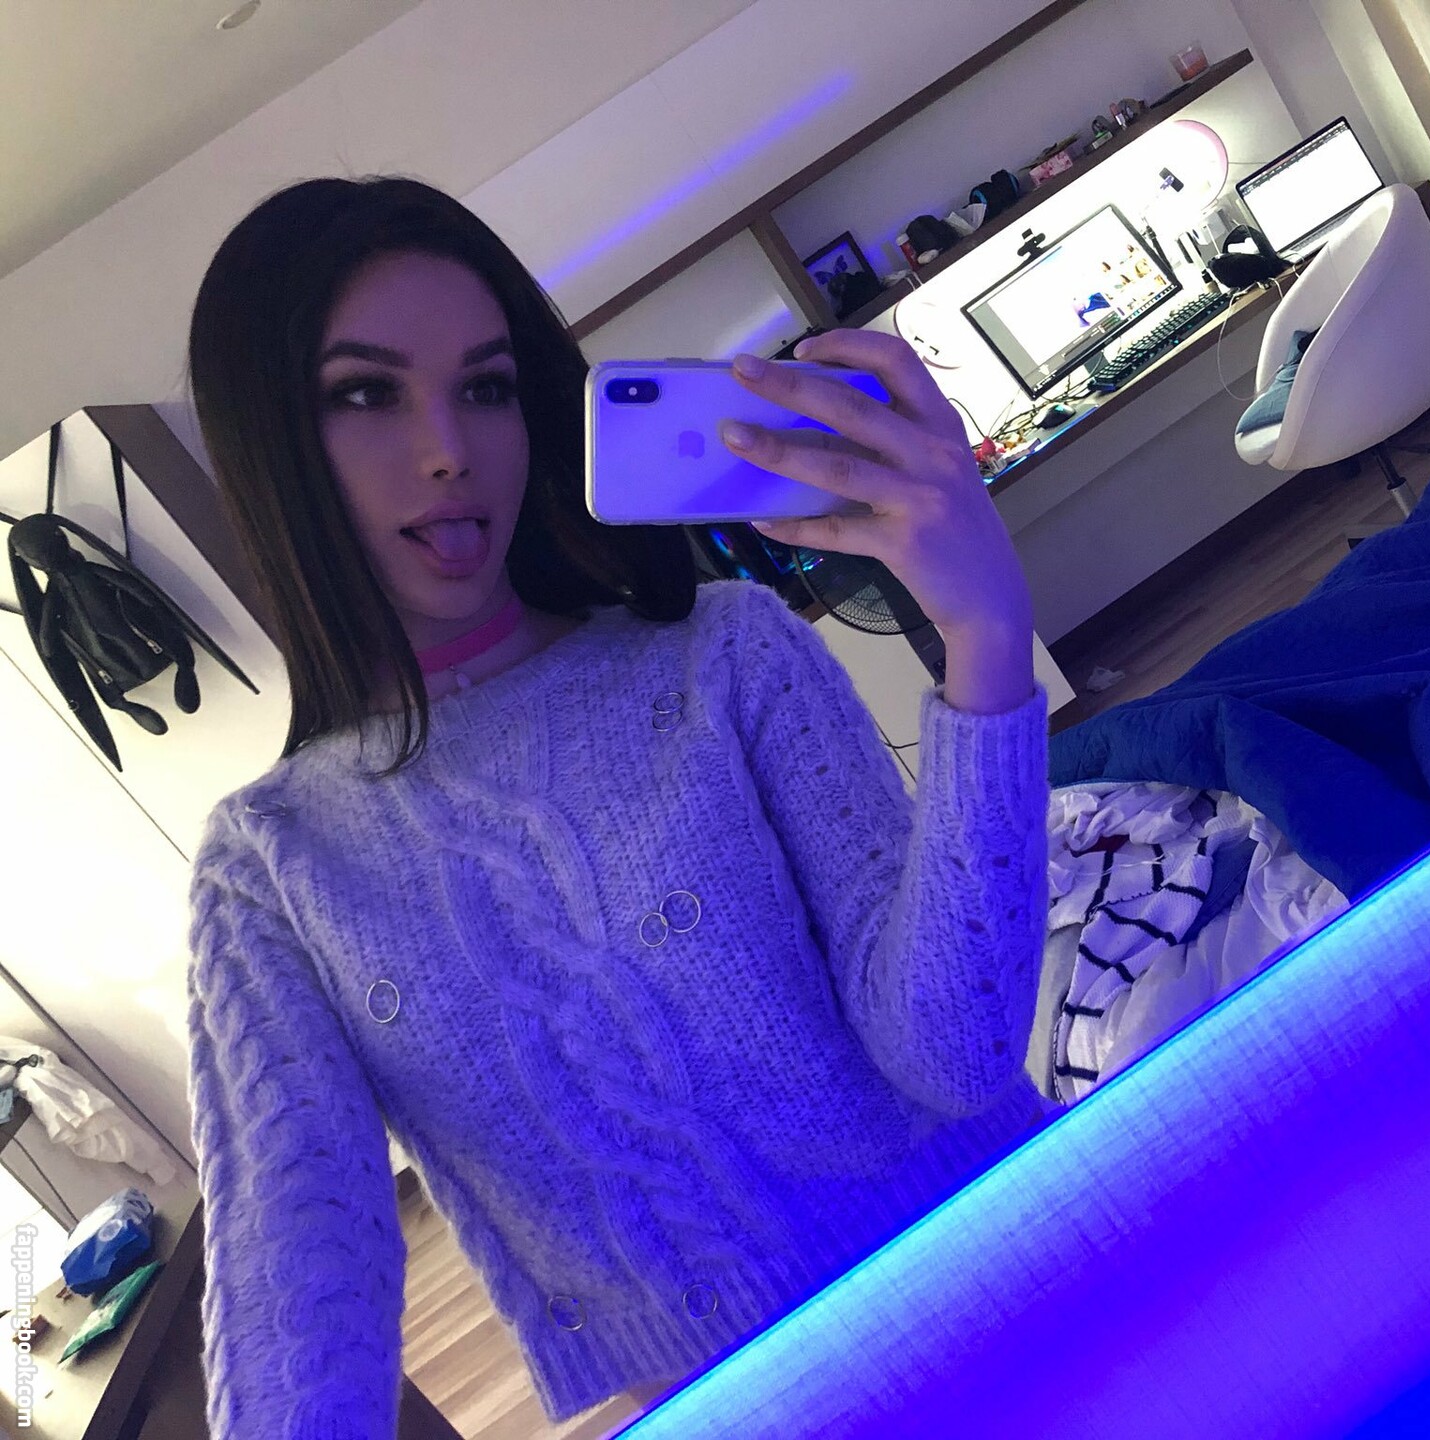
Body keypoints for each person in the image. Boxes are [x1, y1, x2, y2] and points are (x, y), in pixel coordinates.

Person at [181, 175, 1051, 1438]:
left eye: (487, 386)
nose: (449, 447)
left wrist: (985, 636)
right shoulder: (272, 870)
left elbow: (956, 1058)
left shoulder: (727, 653)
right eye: (366, 394)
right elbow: (290, 1295)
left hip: (1034, 1269)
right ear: (269, 446)